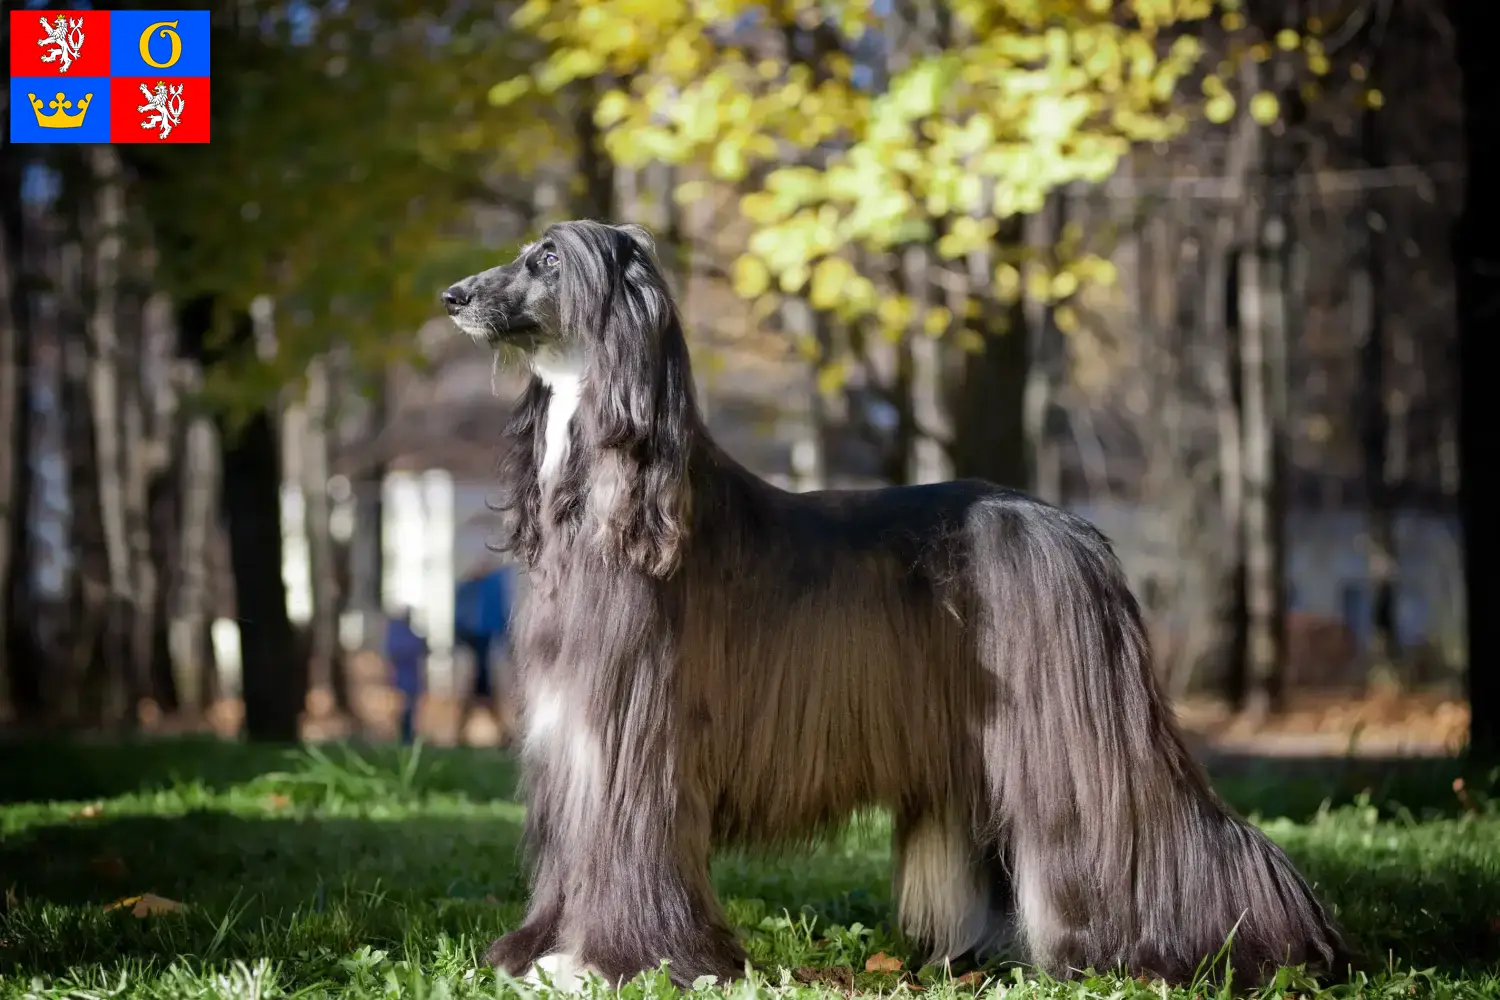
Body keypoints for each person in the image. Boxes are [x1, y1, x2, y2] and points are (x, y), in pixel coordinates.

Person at [454, 563, 514, 745]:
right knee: (478, 690)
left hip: (486, 644)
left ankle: (501, 732)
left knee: (485, 690)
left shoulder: (488, 588)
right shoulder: (471, 591)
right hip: (476, 644)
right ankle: (463, 732)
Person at [384, 606, 429, 745]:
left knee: (411, 707)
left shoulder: (405, 634)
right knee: (403, 707)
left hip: (411, 678)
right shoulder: (399, 634)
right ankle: (403, 735)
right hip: (403, 677)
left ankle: (408, 735)